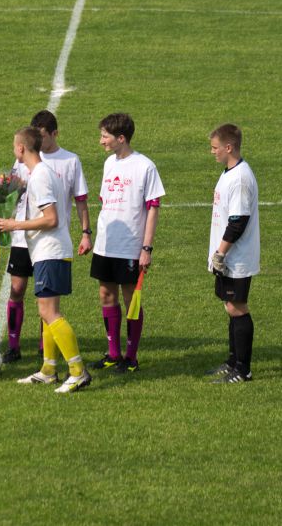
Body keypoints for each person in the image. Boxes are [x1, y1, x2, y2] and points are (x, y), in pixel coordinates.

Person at [0, 127, 91, 393]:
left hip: (51, 251)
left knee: (49, 312)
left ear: (20, 149)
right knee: (46, 310)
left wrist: (16, 225)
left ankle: (78, 371)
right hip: (48, 252)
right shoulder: (42, 174)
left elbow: (52, 219)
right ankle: (49, 369)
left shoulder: (40, 176)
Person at [89, 113, 165, 373]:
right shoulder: (109, 163)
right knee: (105, 295)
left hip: (131, 246)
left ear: (121, 138)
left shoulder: (145, 166)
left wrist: (146, 248)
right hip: (105, 244)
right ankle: (113, 353)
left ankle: (131, 358)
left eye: (105, 136)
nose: (101, 141)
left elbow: (153, 208)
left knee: (130, 299)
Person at [205, 124, 260, 384]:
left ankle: (243, 369)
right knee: (230, 307)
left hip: (235, 257)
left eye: (215, 148)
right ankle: (232, 362)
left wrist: (221, 253)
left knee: (237, 308)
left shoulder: (239, 178)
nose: (212, 152)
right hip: (228, 256)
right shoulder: (229, 173)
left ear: (229, 147)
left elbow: (238, 220)